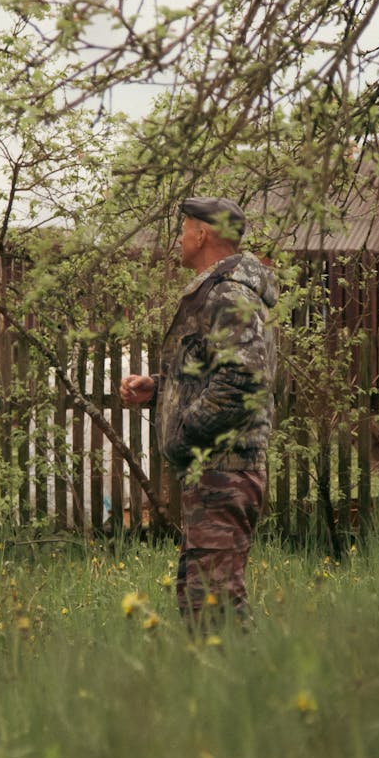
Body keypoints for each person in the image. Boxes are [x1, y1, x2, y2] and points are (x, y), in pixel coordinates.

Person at [120, 196, 278, 627]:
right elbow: (212, 373)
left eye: (183, 230)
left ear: (202, 234)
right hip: (214, 472)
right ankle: (216, 688)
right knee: (201, 602)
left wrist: (183, 434)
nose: (179, 239)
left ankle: (241, 690)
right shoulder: (217, 291)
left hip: (223, 472)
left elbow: (241, 383)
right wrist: (159, 388)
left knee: (217, 610)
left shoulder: (228, 295)